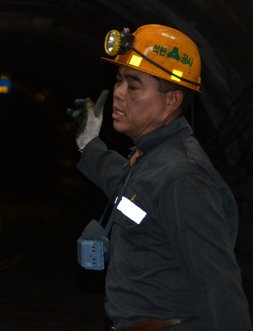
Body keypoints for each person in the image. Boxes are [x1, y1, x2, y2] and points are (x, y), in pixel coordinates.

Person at [68, 25, 252, 330]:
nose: (117, 93)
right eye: (118, 81)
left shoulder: (185, 178)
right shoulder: (150, 158)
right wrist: (89, 145)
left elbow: (219, 288)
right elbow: (128, 193)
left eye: (133, 85)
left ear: (172, 101)